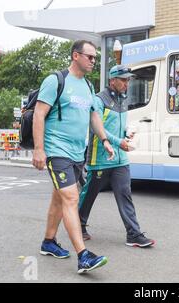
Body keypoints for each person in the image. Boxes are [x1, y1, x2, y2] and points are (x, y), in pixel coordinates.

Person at [32, 40, 115, 274]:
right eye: (90, 57)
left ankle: (48, 242)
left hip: (79, 153)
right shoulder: (55, 80)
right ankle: (83, 256)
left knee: (59, 199)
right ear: (76, 56)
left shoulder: (88, 86)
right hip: (57, 150)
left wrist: (106, 141)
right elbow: (39, 114)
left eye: (95, 58)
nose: (93, 61)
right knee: (70, 197)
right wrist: (39, 149)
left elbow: (94, 117)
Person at [78, 65, 155, 248]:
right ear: (112, 81)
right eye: (123, 79)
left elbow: (117, 125)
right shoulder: (98, 99)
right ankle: (78, 225)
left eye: (128, 79)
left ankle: (133, 234)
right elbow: (98, 129)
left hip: (121, 159)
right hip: (100, 158)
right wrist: (118, 142)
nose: (127, 83)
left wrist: (127, 132)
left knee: (125, 194)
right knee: (90, 194)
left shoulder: (123, 99)